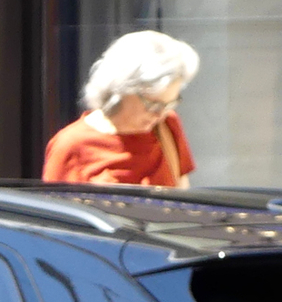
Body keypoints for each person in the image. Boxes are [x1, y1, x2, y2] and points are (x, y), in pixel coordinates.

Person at [41, 30, 201, 187]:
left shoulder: (167, 125)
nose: (159, 114)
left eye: (169, 104)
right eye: (153, 104)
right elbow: (56, 210)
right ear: (121, 89)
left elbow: (183, 201)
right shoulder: (71, 146)